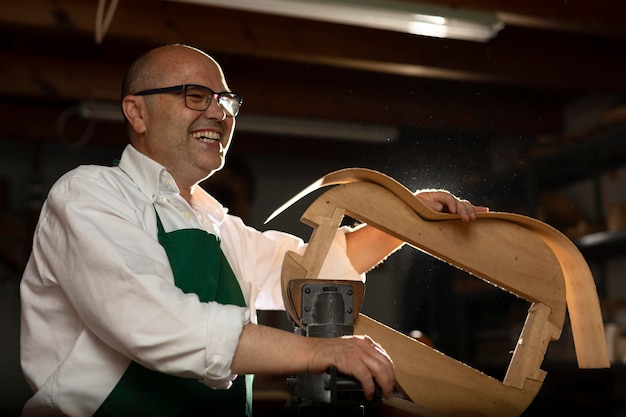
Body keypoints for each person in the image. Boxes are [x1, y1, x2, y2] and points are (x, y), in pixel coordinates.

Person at [19, 44, 488, 416]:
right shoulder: (89, 195)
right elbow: (154, 323)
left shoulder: (217, 224)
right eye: (195, 96)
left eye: (226, 101)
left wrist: (408, 219)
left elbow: (313, 269)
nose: (219, 114)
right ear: (136, 113)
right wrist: (318, 354)